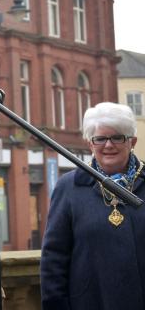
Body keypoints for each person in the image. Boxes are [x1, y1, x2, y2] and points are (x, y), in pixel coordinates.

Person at [41, 102, 145, 310]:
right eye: (100, 139)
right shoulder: (68, 187)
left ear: (132, 141)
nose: (108, 145)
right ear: (90, 144)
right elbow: (54, 259)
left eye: (117, 137)